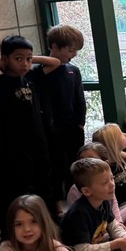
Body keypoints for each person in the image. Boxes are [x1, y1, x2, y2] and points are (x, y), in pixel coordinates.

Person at [0, 34, 58, 216]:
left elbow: (55, 62)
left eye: (28, 59)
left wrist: (29, 57)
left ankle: (49, 219)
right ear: (6, 59)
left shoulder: (31, 77)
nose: (25, 64)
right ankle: (29, 218)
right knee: (24, 183)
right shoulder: (0, 83)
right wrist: (1, 62)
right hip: (17, 144)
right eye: (18, 59)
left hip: (39, 140)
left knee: (45, 179)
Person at [68, 141, 126, 251]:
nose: (113, 185)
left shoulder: (103, 199)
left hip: (102, 236)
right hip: (85, 247)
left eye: (112, 179)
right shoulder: (79, 212)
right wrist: (116, 243)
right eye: (105, 183)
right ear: (86, 191)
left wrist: (125, 239)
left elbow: (113, 223)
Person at [36, 25, 87, 216]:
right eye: (71, 50)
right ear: (55, 46)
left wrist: (80, 122)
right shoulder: (42, 72)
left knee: (76, 165)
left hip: (73, 127)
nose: (73, 55)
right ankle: (57, 205)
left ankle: (79, 199)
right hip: (52, 128)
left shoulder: (72, 71)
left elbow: (79, 99)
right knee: (56, 167)